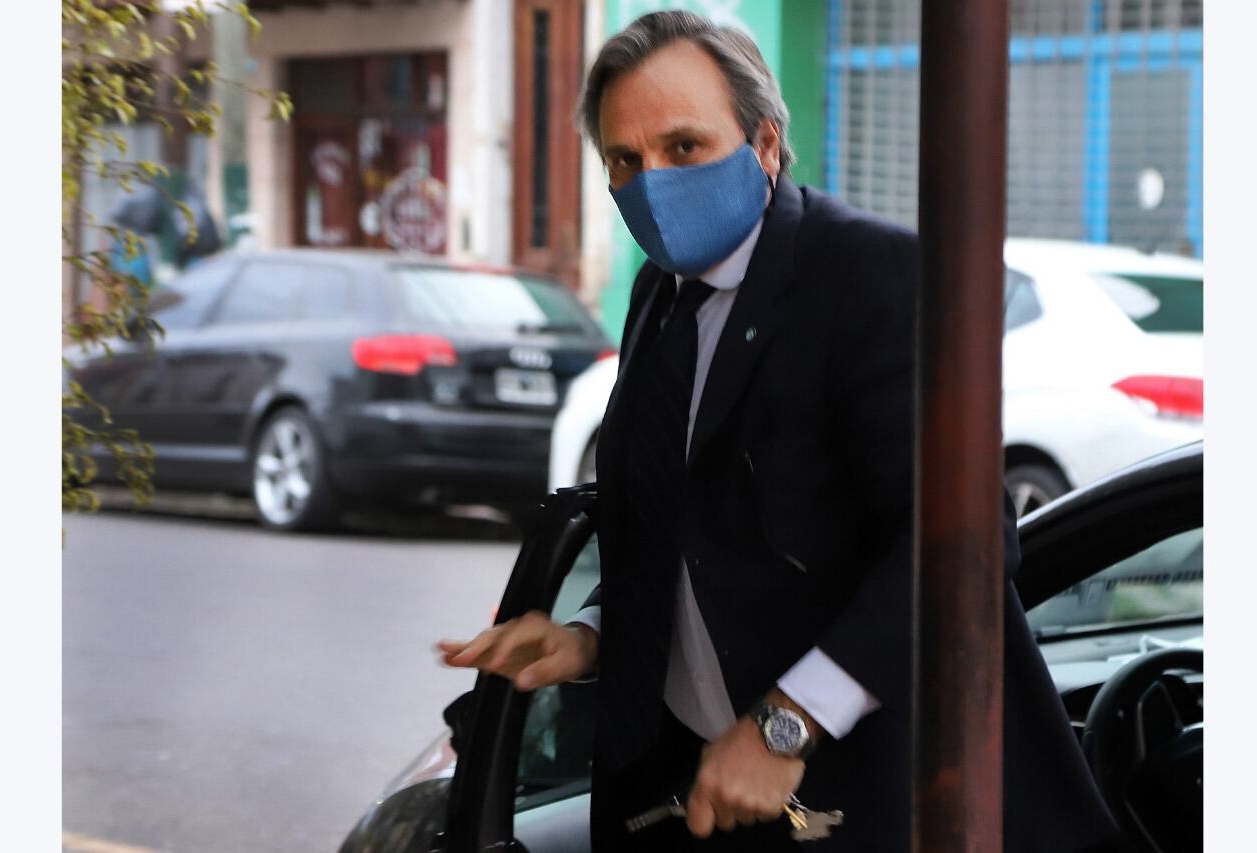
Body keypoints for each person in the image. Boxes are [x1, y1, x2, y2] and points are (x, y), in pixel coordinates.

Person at [440, 11, 1120, 852]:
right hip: (693, 796)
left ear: (764, 143)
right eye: (624, 160)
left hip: (878, 801)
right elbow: (688, 526)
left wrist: (785, 723)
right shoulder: (659, 292)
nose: (651, 182)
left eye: (683, 146)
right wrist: (590, 637)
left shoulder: (871, 275)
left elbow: (961, 545)